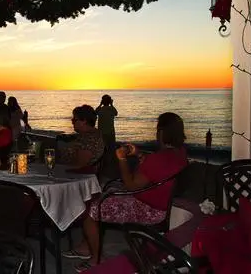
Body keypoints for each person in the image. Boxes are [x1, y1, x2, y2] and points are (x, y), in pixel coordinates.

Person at [64, 112, 188, 272]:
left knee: (90, 208)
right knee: (106, 190)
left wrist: (121, 159)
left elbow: (130, 185)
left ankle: (96, 259)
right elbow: (157, 168)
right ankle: (86, 246)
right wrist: (139, 154)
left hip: (148, 209)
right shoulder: (180, 154)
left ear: (162, 133)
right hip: (161, 204)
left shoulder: (157, 159)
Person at [58, 105, 104, 173]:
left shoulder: (87, 140)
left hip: (74, 175)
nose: (72, 122)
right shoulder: (96, 133)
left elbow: (79, 166)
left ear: (84, 121)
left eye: (74, 120)